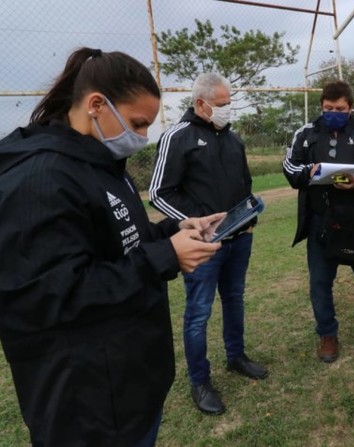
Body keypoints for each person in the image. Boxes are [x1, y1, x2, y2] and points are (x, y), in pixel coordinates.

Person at [0, 48, 224, 447]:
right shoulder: (41, 178)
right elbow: (52, 296)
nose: (140, 137)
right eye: (137, 124)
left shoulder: (98, 165)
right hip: (86, 407)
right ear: (96, 105)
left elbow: (120, 240)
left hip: (126, 384)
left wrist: (173, 230)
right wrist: (166, 256)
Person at [149, 72, 268, 416]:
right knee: (198, 313)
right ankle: (199, 381)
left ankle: (236, 356)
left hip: (239, 239)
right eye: (221, 104)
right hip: (203, 245)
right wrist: (195, 224)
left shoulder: (234, 139)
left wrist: (249, 219)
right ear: (200, 104)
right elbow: (159, 192)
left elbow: (244, 185)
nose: (228, 110)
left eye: (229, 103)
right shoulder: (177, 136)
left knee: (234, 300)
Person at [283, 79, 354, 363]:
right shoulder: (306, 132)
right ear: (321, 105)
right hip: (321, 220)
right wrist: (310, 172)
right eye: (328, 107)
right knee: (320, 283)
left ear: (350, 107)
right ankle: (327, 335)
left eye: (340, 108)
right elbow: (289, 167)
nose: (333, 112)